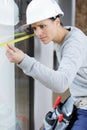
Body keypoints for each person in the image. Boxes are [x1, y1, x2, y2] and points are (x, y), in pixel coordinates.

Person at [6, 0, 87, 130]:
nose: (38, 33)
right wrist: (8, 33)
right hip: (77, 98)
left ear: (57, 22)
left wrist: (24, 61)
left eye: (42, 26)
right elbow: (32, 28)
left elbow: (61, 83)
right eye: (34, 28)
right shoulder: (63, 34)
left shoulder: (74, 45)